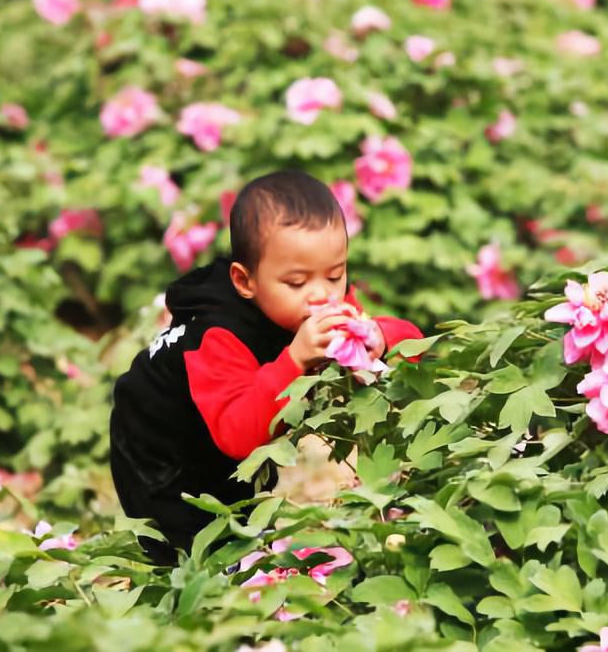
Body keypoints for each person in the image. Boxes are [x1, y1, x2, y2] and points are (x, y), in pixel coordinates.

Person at [109, 169, 426, 565]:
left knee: (242, 512)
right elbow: (238, 436)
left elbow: (416, 347)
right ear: (245, 281)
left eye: (335, 274)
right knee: (192, 551)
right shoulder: (217, 334)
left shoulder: (320, 301)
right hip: (158, 447)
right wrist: (294, 359)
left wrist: (379, 335)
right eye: (296, 283)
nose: (321, 295)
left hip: (227, 421)